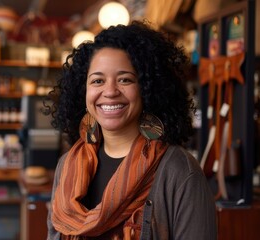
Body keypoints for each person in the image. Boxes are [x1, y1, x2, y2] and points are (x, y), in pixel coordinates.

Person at [46, 21, 217, 239]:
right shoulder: (67, 165)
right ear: (83, 91)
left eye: (125, 79)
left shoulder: (179, 171)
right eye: (97, 80)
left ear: (147, 88)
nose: (109, 91)